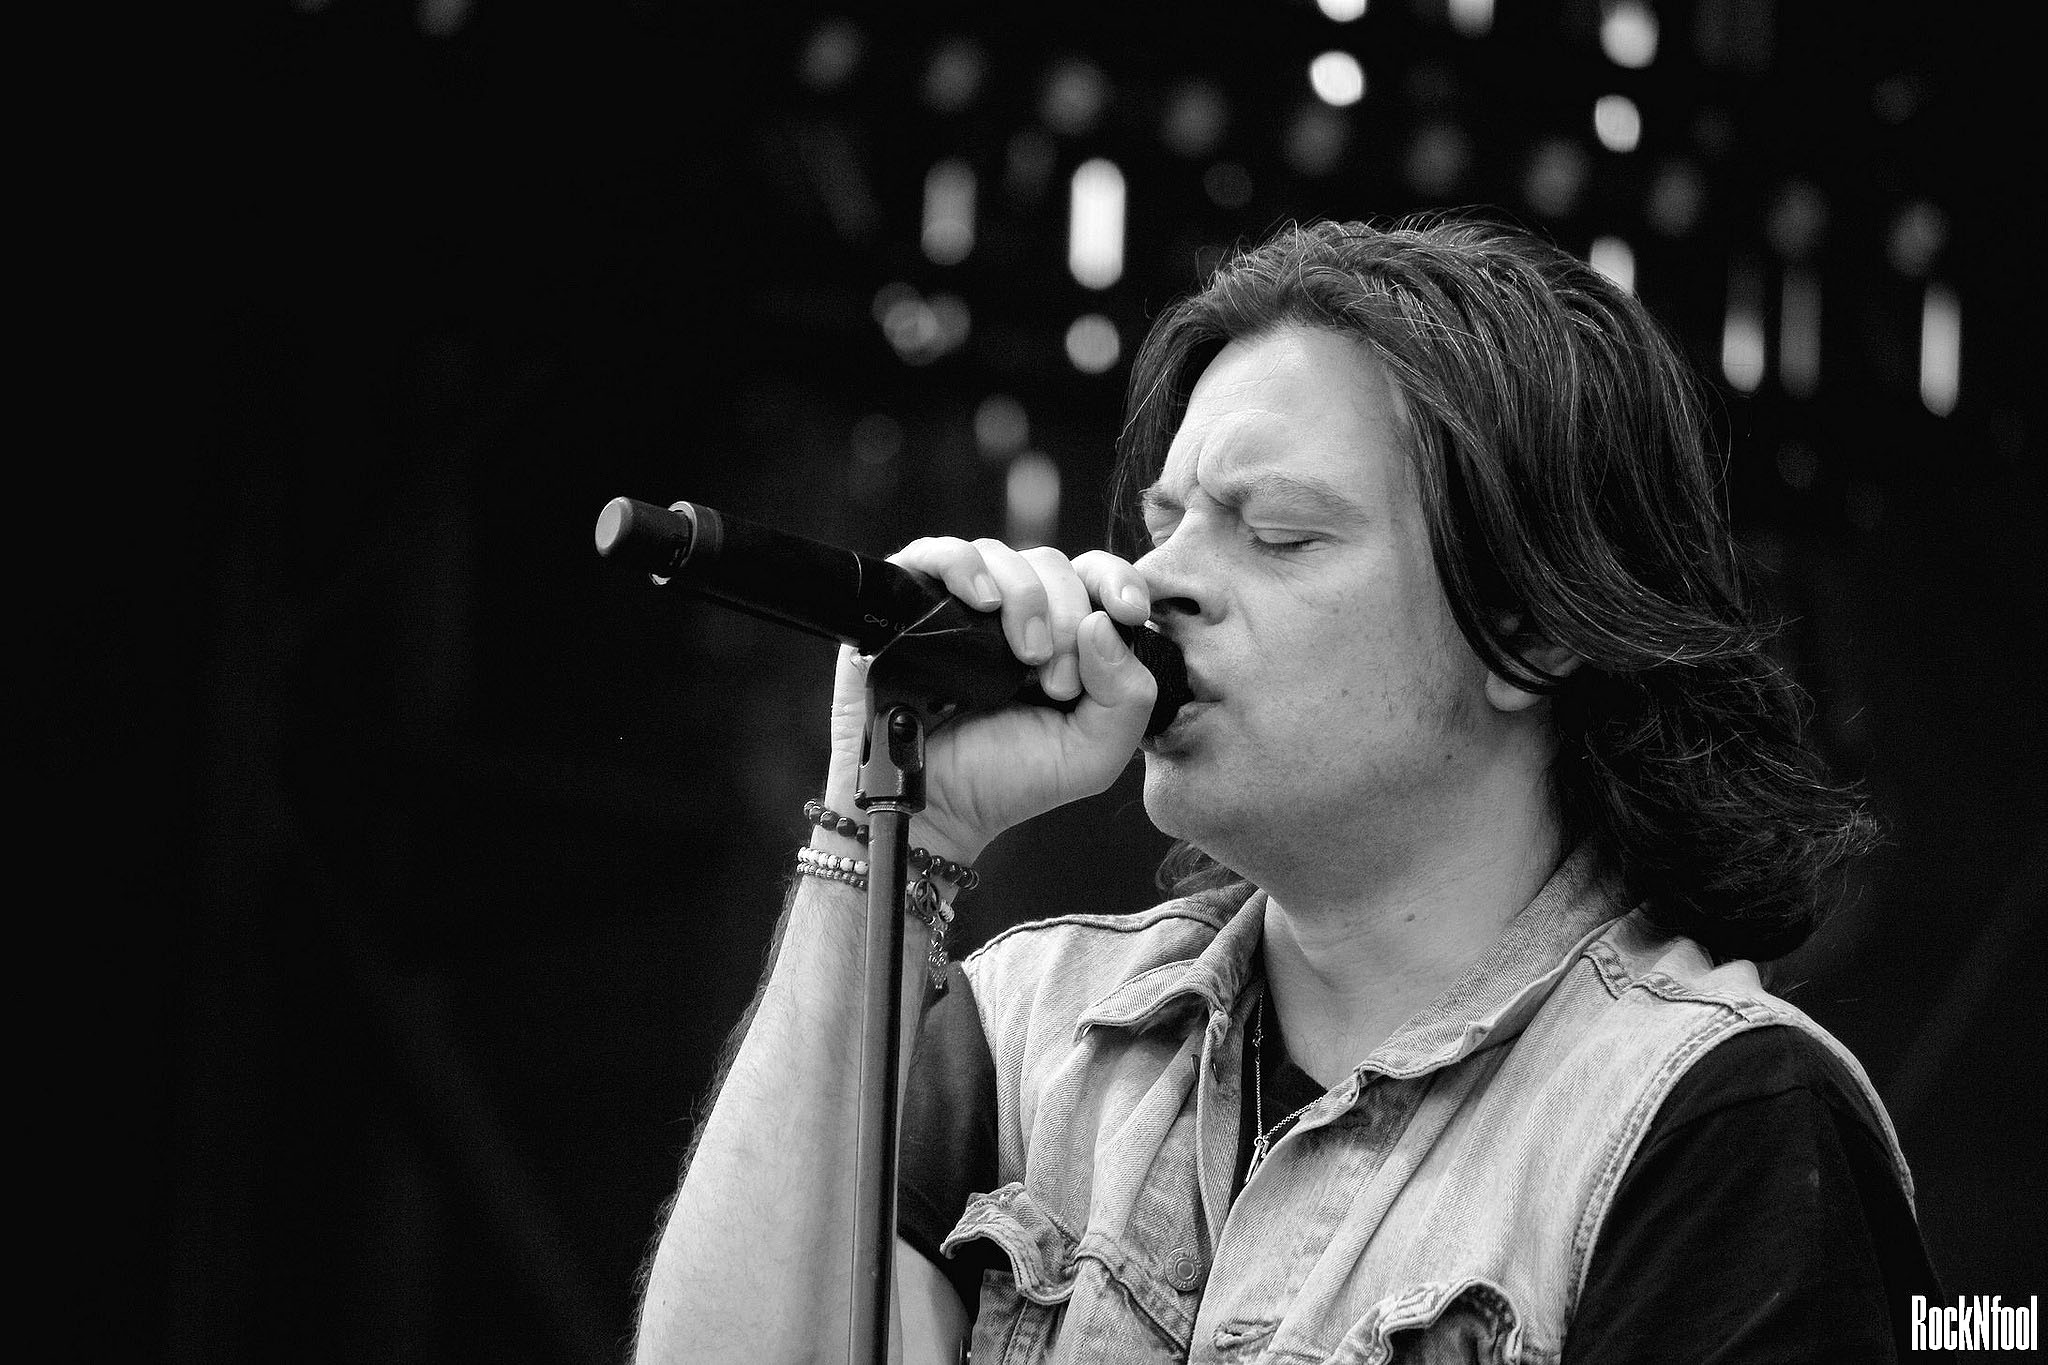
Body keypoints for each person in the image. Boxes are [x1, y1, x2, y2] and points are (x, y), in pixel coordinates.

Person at [631, 216, 1939, 1364]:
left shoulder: (1701, 1117)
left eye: (1279, 534)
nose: (1158, 581)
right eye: (1166, 523)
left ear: (1528, 629)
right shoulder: (1030, 1037)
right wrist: (888, 828)